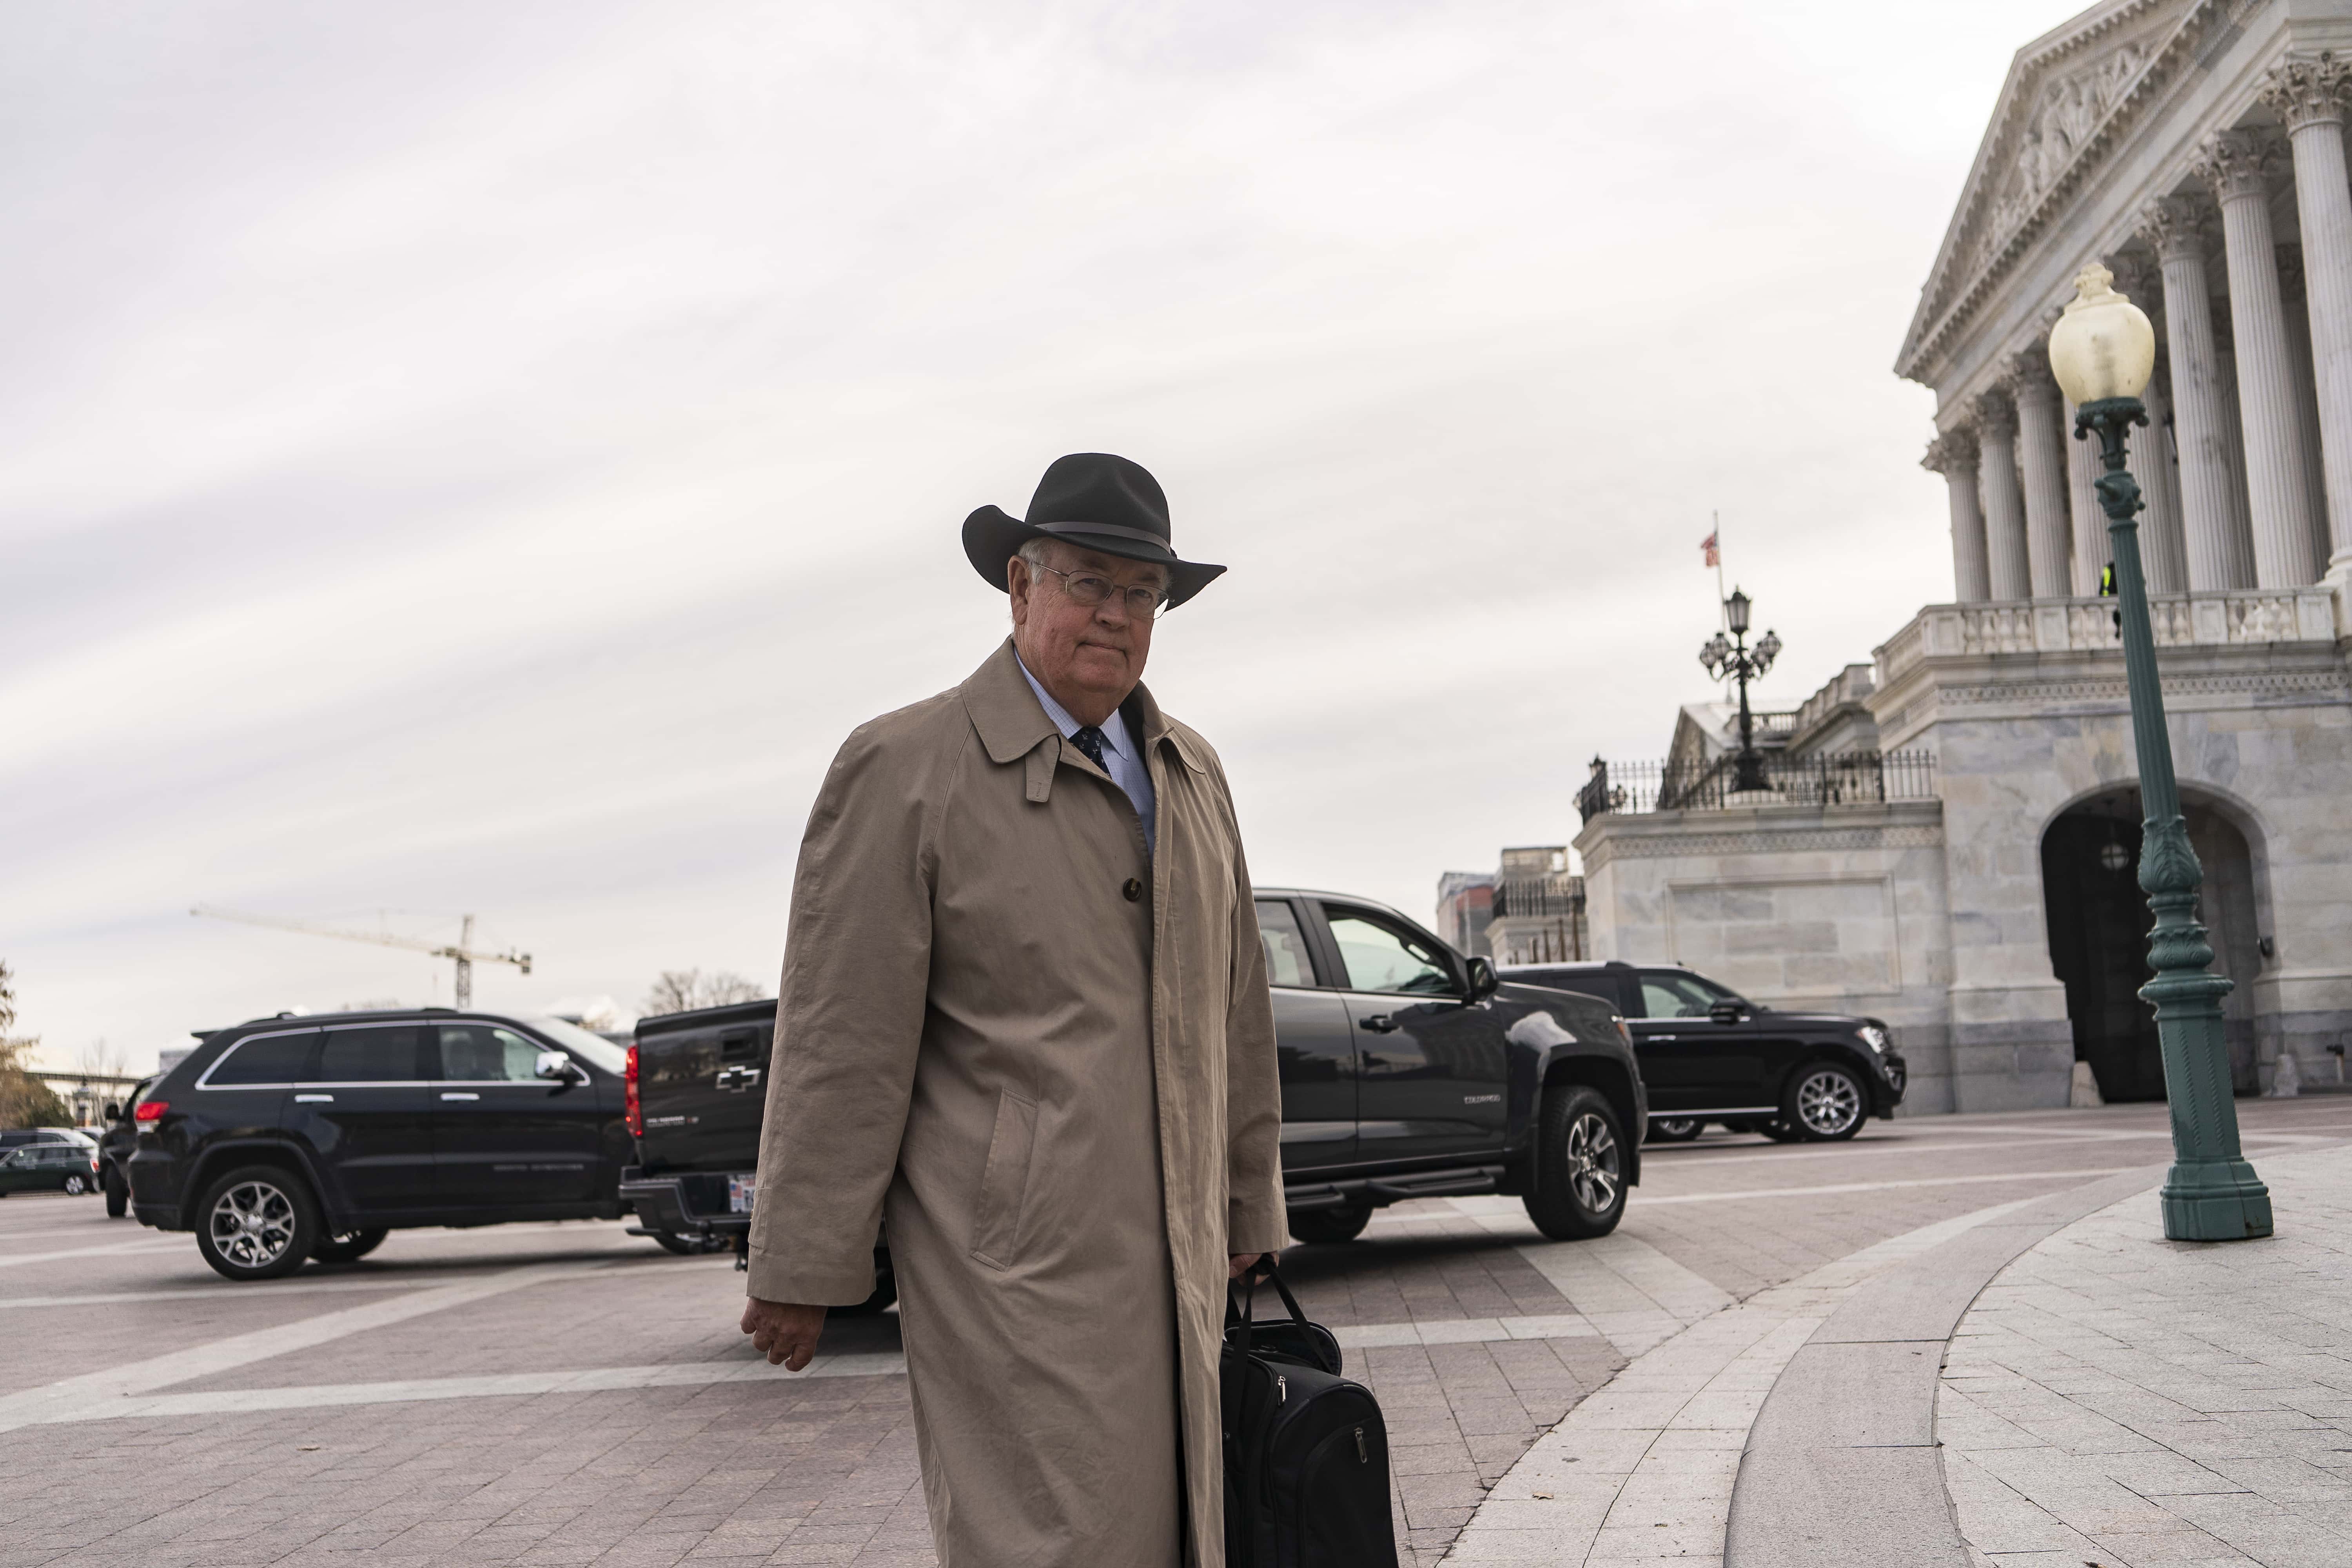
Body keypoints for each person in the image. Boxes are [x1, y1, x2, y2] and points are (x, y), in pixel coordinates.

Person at [738, 452, 1287, 1567]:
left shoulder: (1191, 772)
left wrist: (1246, 1205)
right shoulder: (903, 768)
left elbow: (1236, 1009)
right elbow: (844, 1038)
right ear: (1019, 587)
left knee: (1192, 1530)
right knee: (1050, 1540)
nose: (1116, 615)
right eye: (1090, 582)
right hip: (1013, 1268)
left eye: (1143, 594)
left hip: (1177, 1251)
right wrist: (800, 1265)